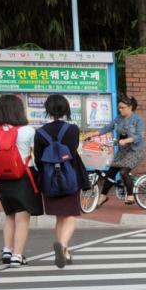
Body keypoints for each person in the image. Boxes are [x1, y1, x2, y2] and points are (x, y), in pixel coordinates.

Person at [32, 94, 88, 268]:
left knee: (59, 217)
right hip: (70, 176)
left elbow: (39, 159)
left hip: (50, 180)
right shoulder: (72, 130)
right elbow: (72, 151)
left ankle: (65, 251)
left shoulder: (40, 133)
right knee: (70, 216)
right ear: (66, 109)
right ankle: (63, 246)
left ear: (47, 110)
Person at [0, 93, 41, 266]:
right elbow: (37, 154)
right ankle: (17, 255)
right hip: (24, 176)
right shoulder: (27, 131)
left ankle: (7, 250)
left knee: (9, 215)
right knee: (22, 218)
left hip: (3, 177)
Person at [105, 96, 146, 199]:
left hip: (136, 150)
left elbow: (139, 136)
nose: (120, 110)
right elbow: (107, 127)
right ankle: (103, 196)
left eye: (123, 107)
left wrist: (125, 140)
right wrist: (94, 133)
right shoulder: (118, 119)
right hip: (123, 150)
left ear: (130, 107)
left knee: (123, 172)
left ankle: (130, 195)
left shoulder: (137, 119)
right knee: (110, 173)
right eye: (119, 107)